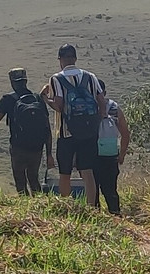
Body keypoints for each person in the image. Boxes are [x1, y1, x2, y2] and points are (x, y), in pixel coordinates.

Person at [0, 68, 54, 195]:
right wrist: (49, 154)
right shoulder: (37, 99)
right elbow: (47, 128)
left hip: (18, 148)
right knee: (34, 179)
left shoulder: (7, 100)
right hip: (37, 148)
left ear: (12, 82)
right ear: (26, 81)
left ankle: (25, 209)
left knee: (20, 182)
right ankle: (40, 208)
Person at [49, 44, 107, 206]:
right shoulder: (90, 76)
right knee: (87, 171)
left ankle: (66, 207)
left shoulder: (57, 79)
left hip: (67, 132)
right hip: (89, 131)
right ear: (75, 58)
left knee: (65, 172)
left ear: (60, 59)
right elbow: (100, 101)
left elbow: (59, 106)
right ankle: (91, 208)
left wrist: (45, 99)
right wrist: (97, 122)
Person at [93, 81, 132, 215]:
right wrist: (121, 154)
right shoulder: (114, 108)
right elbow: (125, 133)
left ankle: (94, 217)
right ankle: (115, 215)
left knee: (93, 189)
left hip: (92, 154)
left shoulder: (87, 107)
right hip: (110, 154)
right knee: (110, 189)